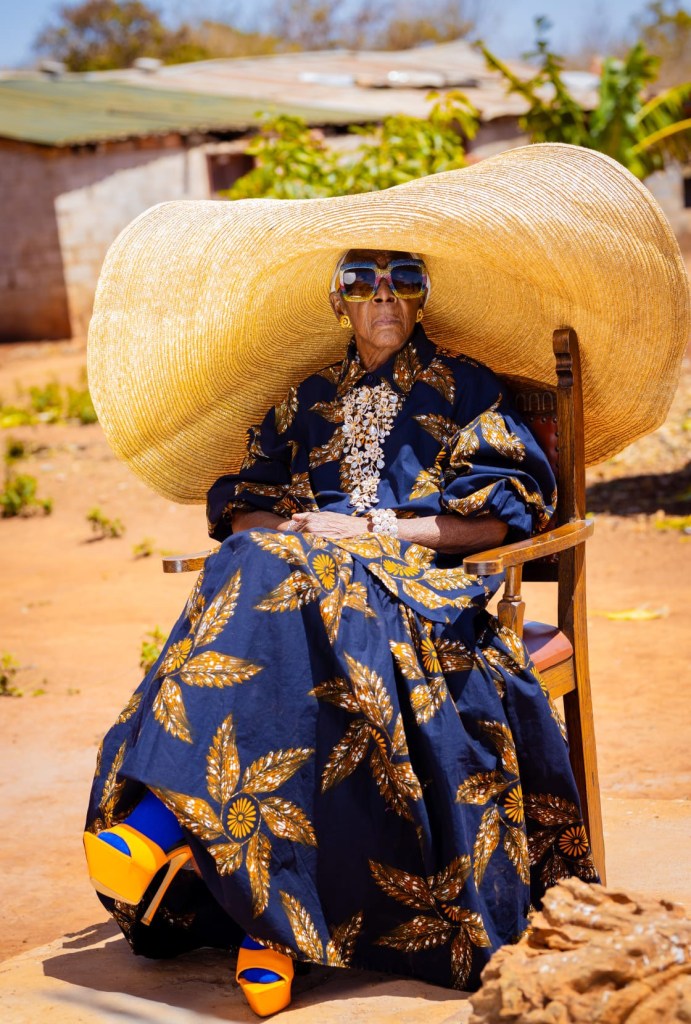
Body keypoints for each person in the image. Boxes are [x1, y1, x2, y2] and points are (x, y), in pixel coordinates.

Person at [85, 247, 598, 1015]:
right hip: (304, 592)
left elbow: (500, 513)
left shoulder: (466, 389)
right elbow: (246, 502)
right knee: (260, 562)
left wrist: (368, 529)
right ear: (339, 302)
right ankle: (272, 930)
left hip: (416, 598)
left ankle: (163, 826)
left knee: (281, 593)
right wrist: (294, 532)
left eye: (404, 283)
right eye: (363, 283)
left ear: (422, 300)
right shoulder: (306, 399)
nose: (384, 297)